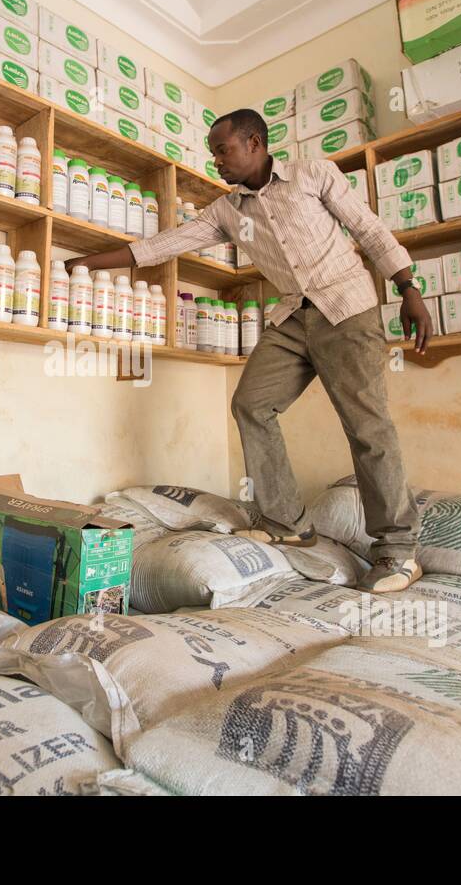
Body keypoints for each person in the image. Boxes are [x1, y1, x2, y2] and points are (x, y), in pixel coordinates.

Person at [68, 108, 432, 592]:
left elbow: (367, 228)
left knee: (366, 425)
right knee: (251, 404)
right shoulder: (227, 210)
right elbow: (166, 244)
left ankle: (398, 551)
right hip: (293, 316)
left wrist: (408, 287)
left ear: (255, 143)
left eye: (223, 149)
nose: (216, 160)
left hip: (346, 306)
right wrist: (87, 262)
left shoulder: (312, 173)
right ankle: (290, 524)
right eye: (213, 152)